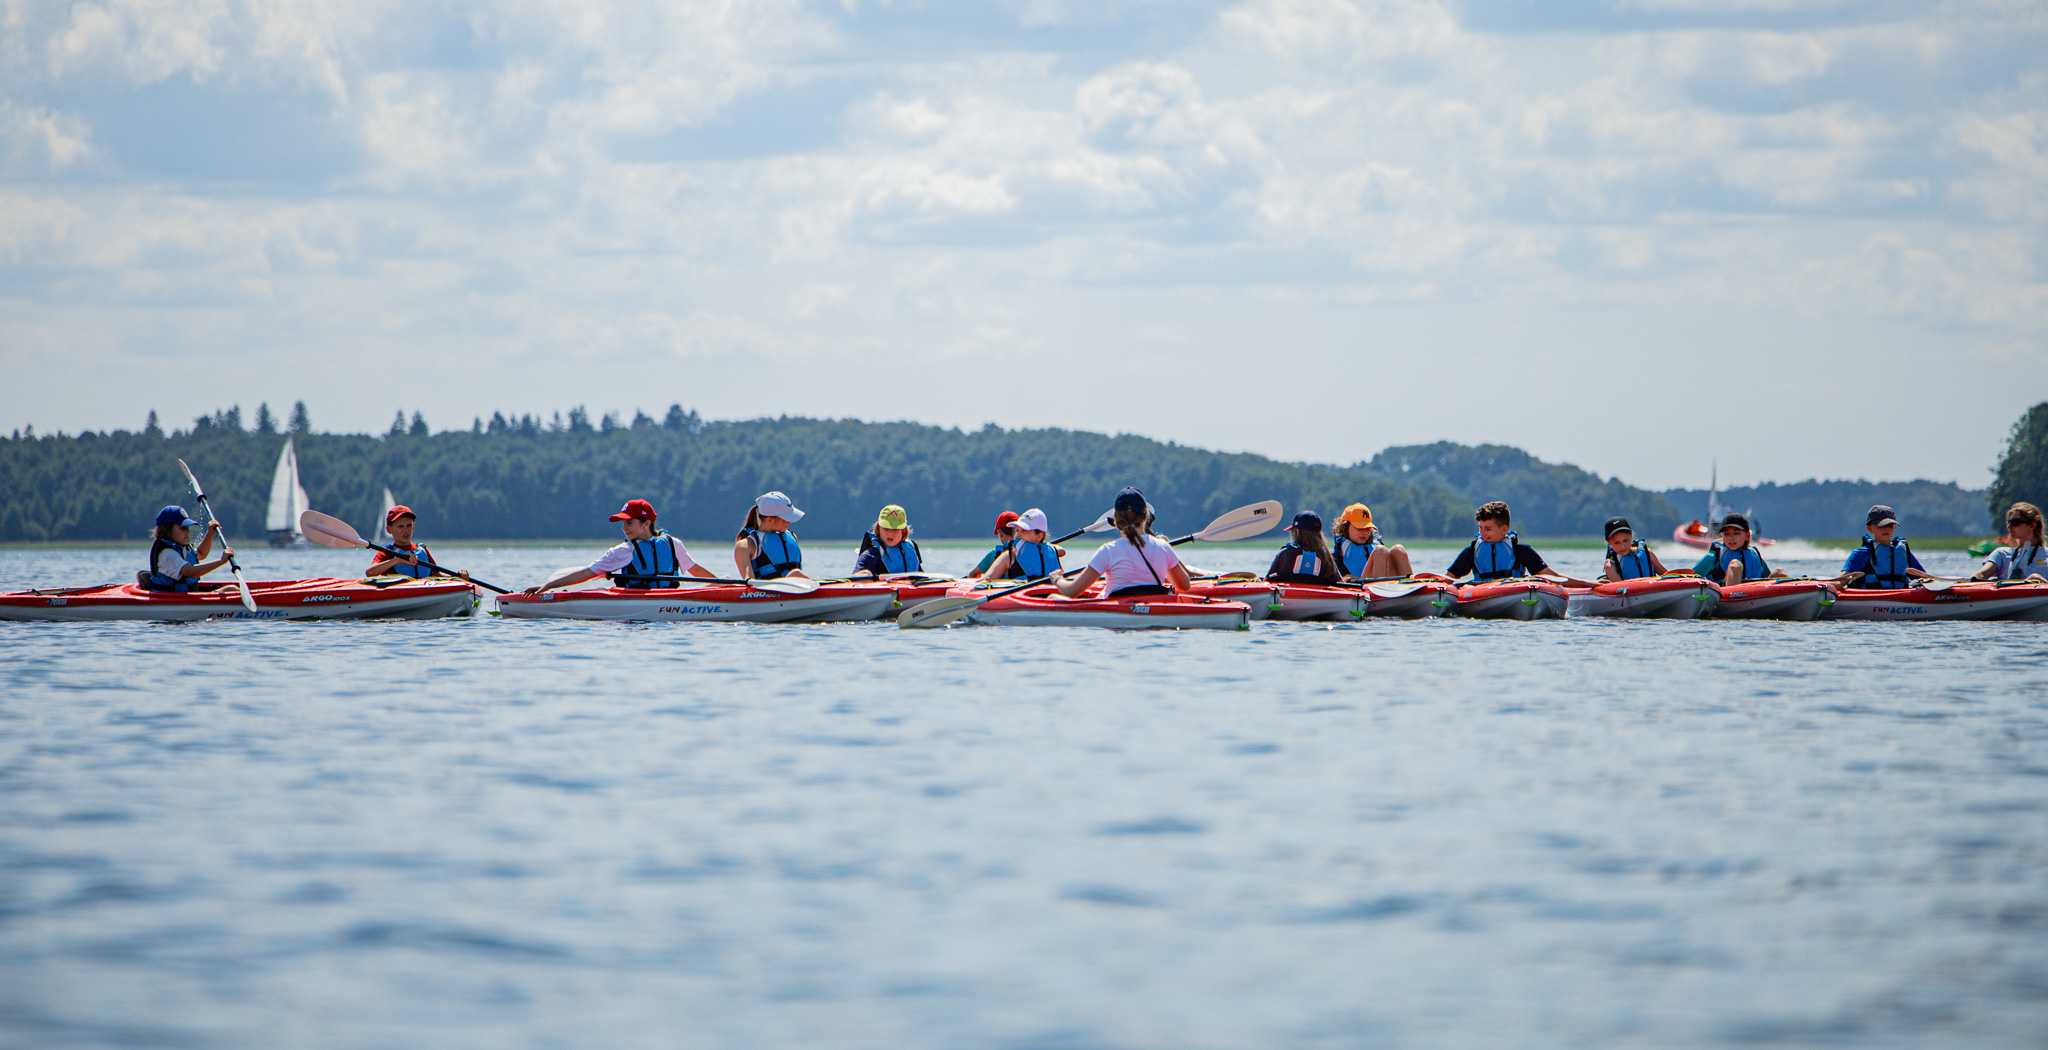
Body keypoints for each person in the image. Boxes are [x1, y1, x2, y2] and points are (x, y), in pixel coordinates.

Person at [521, 499, 714, 594]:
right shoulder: (623, 551)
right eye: (623, 524)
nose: (624, 529)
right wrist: (547, 586)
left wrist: (726, 586)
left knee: (727, 579)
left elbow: (695, 570)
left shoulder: (673, 544)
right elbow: (587, 573)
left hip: (670, 602)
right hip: (636, 602)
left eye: (629, 523)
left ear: (646, 524)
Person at [1054, 487, 1192, 598]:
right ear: (1146, 516)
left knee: (1052, 598)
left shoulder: (1107, 551)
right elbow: (1184, 586)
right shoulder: (1164, 547)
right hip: (1152, 608)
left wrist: (1057, 579)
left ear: (1117, 520)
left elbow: (1071, 592)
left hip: (1113, 615)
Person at [1445, 502, 1583, 584]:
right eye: (1480, 527)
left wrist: (1589, 584)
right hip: (1481, 593)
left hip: (1514, 591)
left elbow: (1553, 577)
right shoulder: (1472, 551)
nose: (1482, 533)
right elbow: (1448, 579)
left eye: (1488, 529)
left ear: (1503, 529)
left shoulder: (1520, 550)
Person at [142, 505, 235, 592]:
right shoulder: (167, 554)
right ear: (167, 530)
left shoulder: (181, 548)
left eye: (188, 528)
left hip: (187, 597)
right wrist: (221, 561)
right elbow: (190, 571)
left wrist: (210, 533)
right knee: (232, 590)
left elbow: (201, 553)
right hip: (173, 601)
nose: (187, 532)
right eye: (182, 528)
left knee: (232, 589)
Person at [1835, 504, 1930, 589]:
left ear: (1894, 527)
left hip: (1900, 598)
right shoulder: (1860, 554)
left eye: (1890, 525)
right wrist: (1823, 587)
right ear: (1869, 528)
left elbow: (1925, 580)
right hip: (1870, 599)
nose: (1886, 529)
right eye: (1881, 525)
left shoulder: (1903, 552)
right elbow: (1840, 582)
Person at [365, 505, 465, 580]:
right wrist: (397, 560)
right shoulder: (387, 552)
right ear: (389, 530)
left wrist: (458, 577)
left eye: (408, 525)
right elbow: (370, 572)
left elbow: (437, 575)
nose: (405, 530)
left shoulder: (422, 549)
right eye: (400, 526)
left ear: (413, 526)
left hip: (424, 592)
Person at [1692, 512, 1784, 585]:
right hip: (1726, 598)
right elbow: (1691, 577)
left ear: (1747, 536)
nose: (1730, 538)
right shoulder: (1714, 556)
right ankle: (1736, 598)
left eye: (1736, 533)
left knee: (1780, 572)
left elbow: (1769, 579)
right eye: (1726, 534)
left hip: (1755, 597)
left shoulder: (1754, 555)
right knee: (1736, 565)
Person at [734, 491, 809, 581]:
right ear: (769, 520)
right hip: (767, 592)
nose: (790, 522)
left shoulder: (792, 537)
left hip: (795, 588)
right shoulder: (745, 546)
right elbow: (750, 583)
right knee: (795, 574)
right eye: (786, 518)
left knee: (796, 574)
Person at [1332, 503, 1412, 579]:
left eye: (1367, 528)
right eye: (1359, 528)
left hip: (1381, 583)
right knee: (1381, 551)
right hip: (1362, 587)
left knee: (1398, 549)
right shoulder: (1336, 556)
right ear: (1345, 527)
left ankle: (1413, 587)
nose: (1363, 532)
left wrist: (1357, 578)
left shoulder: (1375, 545)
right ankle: (1380, 588)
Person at [1974, 502, 2048, 582]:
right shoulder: (2001, 554)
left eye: (2015, 522)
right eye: (2008, 522)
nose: (2009, 526)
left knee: (2035, 577)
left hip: (2041, 593)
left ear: (2032, 526)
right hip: (2008, 593)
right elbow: (1981, 575)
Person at [983, 508, 1063, 580]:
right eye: (1017, 530)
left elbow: (982, 583)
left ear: (1039, 536)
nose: (1018, 534)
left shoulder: (1008, 556)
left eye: (1024, 530)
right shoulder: (1054, 552)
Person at [1267, 510, 1342, 585]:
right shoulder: (1327, 557)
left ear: (1297, 532)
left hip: (1288, 594)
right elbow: (1340, 583)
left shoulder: (1285, 553)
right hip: (1317, 595)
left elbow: (1267, 580)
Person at [854, 504, 924, 576]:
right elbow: (853, 581)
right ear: (878, 529)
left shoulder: (911, 548)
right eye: (886, 528)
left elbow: (922, 577)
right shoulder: (870, 555)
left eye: (895, 529)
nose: (890, 533)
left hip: (909, 586)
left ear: (903, 531)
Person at [1600, 517, 1668, 581]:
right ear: (1609, 543)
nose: (1622, 546)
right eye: (1617, 543)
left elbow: (1668, 576)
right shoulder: (1610, 566)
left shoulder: (1648, 554)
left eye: (1625, 540)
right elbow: (1620, 588)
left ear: (1631, 536)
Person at [967, 511, 1021, 579]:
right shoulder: (1024, 549)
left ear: (1000, 533)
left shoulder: (994, 554)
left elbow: (972, 574)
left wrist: (969, 574)